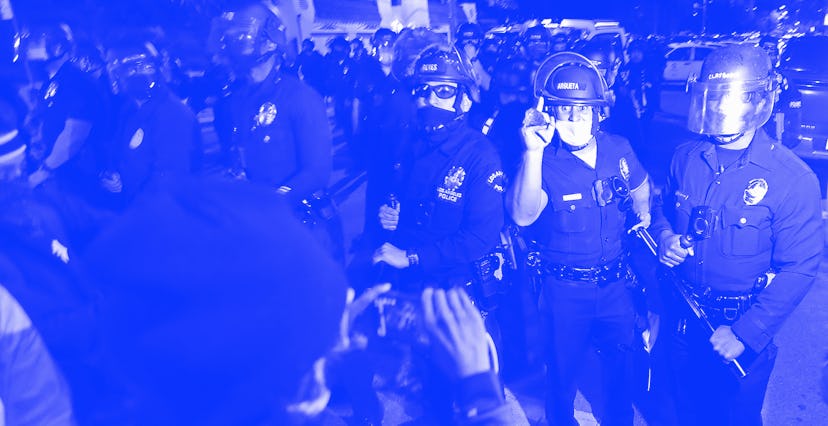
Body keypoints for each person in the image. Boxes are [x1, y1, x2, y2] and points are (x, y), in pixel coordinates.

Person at [650, 44, 823, 426]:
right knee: (681, 412)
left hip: (738, 327)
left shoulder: (791, 178)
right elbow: (661, 211)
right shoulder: (686, 158)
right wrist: (664, 237)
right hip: (682, 321)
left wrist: (746, 333)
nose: (718, 108)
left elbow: (799, 268)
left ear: (758, 100)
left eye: (730, 98)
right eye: (711, 98)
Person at [506, 52, 653, 426]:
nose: (573, 119)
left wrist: (644, 210)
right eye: (564, 109)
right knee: (561, 375)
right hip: (564, 291)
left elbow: (640, 183)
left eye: (583, 110)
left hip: (616, 285)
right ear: (549, 112)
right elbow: (523, 214)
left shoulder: (618, 148)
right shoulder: (542, 160)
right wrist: (533, 152)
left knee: (621, 371)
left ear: (598, 113)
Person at [213, 1, 342, 261]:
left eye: (245, 33)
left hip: (302, 226)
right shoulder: (236, 99)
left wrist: (273, 201)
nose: (237, 40)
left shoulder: (300, 96)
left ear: (271, 42)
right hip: (257, 224)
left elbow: (317, 172)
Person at [371, 44, 506, 292]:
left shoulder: (480, 156)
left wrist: (412, 257)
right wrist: (390, 213)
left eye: (444, 91)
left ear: (465, 100)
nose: (431, 99)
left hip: (453, 286)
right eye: (423, 89)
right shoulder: (408, 143)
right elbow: (398, 197)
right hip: (406, 278)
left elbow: (480, 238)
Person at [101, 40, 201, 207]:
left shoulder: (172, 115)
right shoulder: (130, 108)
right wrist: (113, 176)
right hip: (134, 203)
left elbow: (171, 177)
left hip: (159, 210)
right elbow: (119, 151)